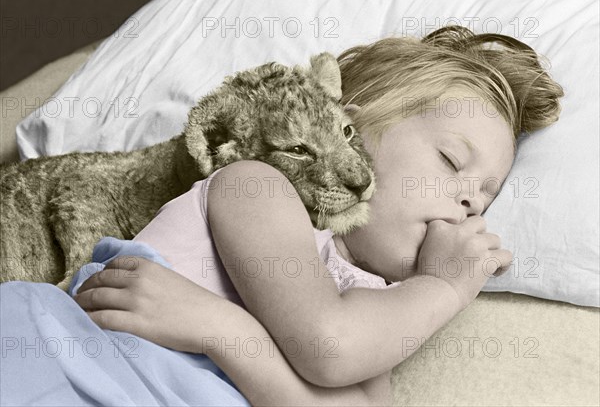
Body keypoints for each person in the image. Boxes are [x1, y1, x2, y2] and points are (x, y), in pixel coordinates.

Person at [4, 26, 564, 406]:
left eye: (484, 199)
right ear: (347, 127)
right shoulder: (259, 190)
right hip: (61, 363)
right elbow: (328, 347)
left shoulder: (378, 304)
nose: (468, 204)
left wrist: (221, 330)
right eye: (450, 161)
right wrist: (445, 286)